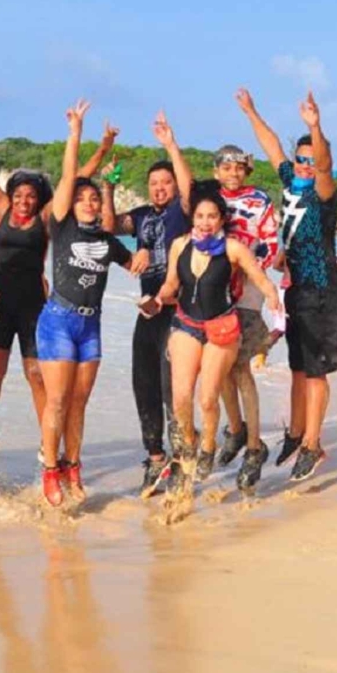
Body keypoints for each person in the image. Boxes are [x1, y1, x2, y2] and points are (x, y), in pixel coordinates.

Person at [0, 93, 117, 469]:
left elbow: (73, 178)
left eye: (30, 196)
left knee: (37, 375)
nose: (23, 200)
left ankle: (45, 443)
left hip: (36, 305)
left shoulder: (46, 219)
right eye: (18, 194)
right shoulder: (0, 209)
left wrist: (101, 148)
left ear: (39, 201)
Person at [236, 87, 337, 482]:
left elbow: (326, 165)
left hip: (322, 291)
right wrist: (251, 111)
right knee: (298, 368)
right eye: (300, 159)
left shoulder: (324, 192)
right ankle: (297, 434)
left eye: (310, 160)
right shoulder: (289, 181)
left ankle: (314, 445)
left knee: (315, 372)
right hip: (296, 288)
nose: (303, 165)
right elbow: (271, 147)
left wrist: (315, 127)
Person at [146, 182, 283, 496]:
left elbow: (260, 277)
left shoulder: (233, 248)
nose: (205, 222)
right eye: (200, 216)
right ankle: (189, 451)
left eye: (211, 217)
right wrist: (156, 299)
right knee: (181, 397)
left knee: (208, 398)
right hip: (186, 323)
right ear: (193, 218)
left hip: (221, 328)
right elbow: (170, 284)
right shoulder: (180, 245)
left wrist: (273, 298)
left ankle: (208, 444)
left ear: (222, 220)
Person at [36, 100, 140, 507]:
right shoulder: (60, 227)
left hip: (90, 326)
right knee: (58, 401)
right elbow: (68, 176)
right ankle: (49, 471)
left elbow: (137, 266)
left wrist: (146, 259)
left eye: (95, 200)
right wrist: (76, 133)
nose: (90, 204)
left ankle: (72, 465)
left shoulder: (108, 242)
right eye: (83, 199)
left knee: (79, 403)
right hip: (57, 321)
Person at [103, 112, 193, 497]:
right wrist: (107, 187)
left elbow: (189, 191)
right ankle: (155, 458)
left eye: (165, 182)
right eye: (154, 183)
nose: (159, 188)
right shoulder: (140, 217)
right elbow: (107, 227)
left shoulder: (181, 212)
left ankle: (182, 459)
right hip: (147, 311)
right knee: (144, 384)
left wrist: (171, 145)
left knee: (172, 387)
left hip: (177, 310)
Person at [207, 145, 280, 483]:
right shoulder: (208, 198)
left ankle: (254, 447)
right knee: (219, 367)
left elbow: (271, 244)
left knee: (241, 370)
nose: (233, 174)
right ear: (216, 171)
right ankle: (236, 429)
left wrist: (249, 272)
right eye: (227, 168)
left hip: (248, 294)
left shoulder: (260, 201)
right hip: (214, 294)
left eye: (239, 169)